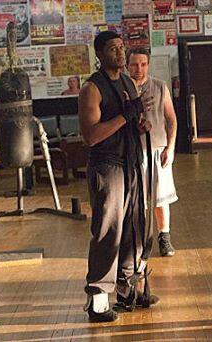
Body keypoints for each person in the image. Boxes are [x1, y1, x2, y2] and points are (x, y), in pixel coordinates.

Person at [78, 31, 158, 323]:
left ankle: (128, 289)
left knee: (134, 227)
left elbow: (133, 121)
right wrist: (125, 117)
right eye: (113, 49)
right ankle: (98, 299)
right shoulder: (92, 89)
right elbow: (92, 136)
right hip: (107, 165)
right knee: (109, 230)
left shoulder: (128, 83)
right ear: (100, 54)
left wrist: (140, 123)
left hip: (132, 161)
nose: (120, 53)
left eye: (122, 47)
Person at [126, 48, 179, 257]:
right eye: (134, 64)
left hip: (157, 148)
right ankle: (140, 241)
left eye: (143, 64)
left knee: (160, 197)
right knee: (136, 199)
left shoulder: (160, 86)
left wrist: (170, 147)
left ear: (148, 65)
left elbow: (172, 119)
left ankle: (164, 237)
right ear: (127, 66)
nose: (138, 69)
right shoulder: (122, 88)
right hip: (131, 150)